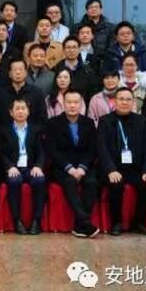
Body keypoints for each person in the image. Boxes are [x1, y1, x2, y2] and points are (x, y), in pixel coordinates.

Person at [97, 87, 146, 236]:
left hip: (135, 168)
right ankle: (117, 222)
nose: (124, 102)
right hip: (114, 168)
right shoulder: (105, 121)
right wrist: (111, 170)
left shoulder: (142, 121)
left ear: (133, 102)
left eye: (128, 99)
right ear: (114, 101)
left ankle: (139, 222)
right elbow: (101, 148)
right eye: (121, 99)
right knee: (115, 184)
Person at [44, 89, 100, 238]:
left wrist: (82, 168)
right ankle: (85, 222)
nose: (72, 105)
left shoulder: (88, 123)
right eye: (69, 102)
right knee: (69, 182)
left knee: (92, 182)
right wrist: (69, 168)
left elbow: (92, 149)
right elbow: (52, 150)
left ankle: (80, 225)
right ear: (64, 103)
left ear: (81, 104)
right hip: (62, 167)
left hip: (84, 166)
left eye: (76, 102)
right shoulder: (53, 123)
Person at [0, 98, 47, 235]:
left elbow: (42, 151)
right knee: (14, 181)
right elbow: (1, 153)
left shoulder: (36, 130)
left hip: (31, 167)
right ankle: (17, 220)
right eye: (17, 109)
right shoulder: (3, 131)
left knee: (40, 180)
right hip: (14, 168)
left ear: (28, 111)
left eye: (23, 108)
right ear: (11, 112)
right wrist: (9, 166)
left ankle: (36, 221)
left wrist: (38, 166)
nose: (20, 111)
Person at [0, 59, 48, 127]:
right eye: (15, 70)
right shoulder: (0, 93)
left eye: (21, 70)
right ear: (10, 74)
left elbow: (42, 117)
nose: (18, 72)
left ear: (26, 73)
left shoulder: (36, 92)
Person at [53, 36, 99, 104]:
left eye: (74, 47)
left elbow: (92, 94)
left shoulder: (88, 71)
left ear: (79, 49)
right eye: (68, 47)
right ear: (63, 50)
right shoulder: (56, 69)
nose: (71, 50)